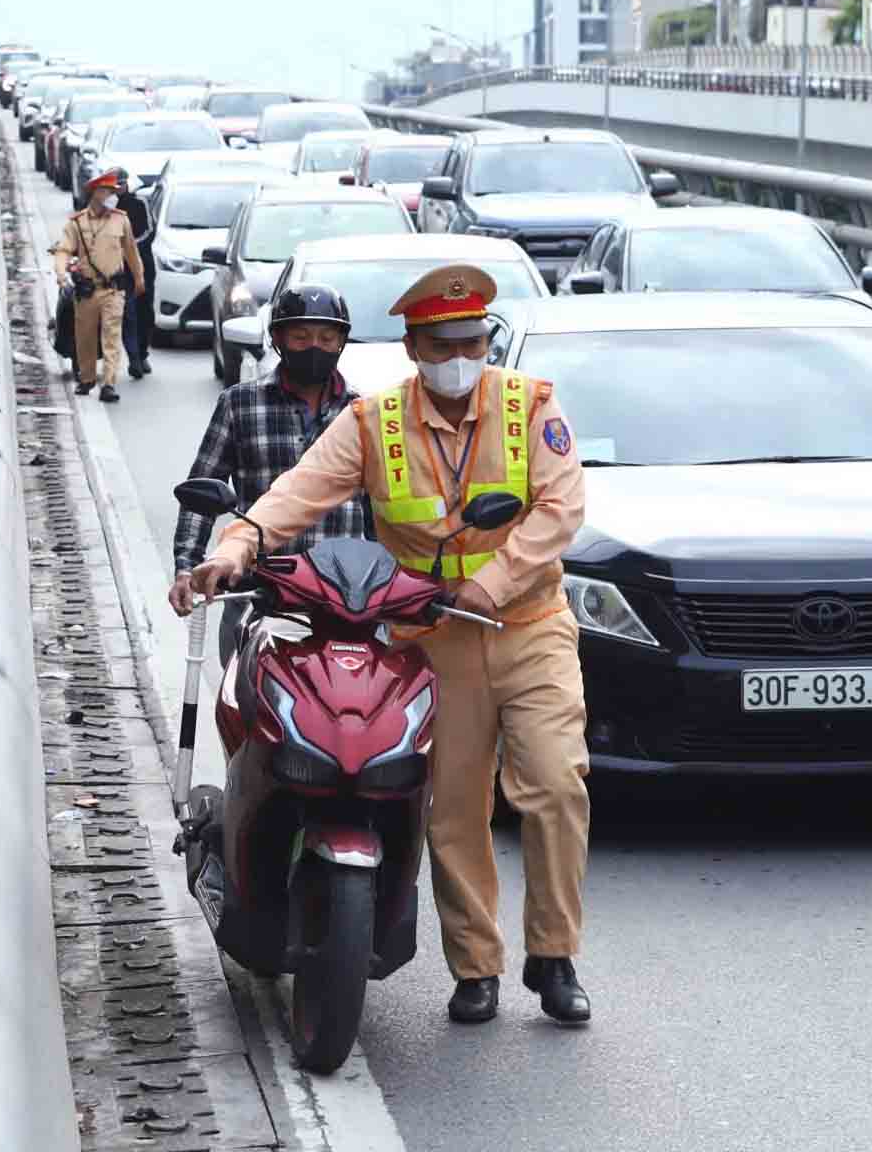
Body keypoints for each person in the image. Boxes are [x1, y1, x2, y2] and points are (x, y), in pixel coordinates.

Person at [178, 264, 592, 1027]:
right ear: (412, 348)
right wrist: (235, 546)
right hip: (426, 638)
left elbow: (560, 507)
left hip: (527, 626)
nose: (460, 357)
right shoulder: (373, 423)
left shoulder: (529, 406)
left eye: (472, 341)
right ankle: (476, 968)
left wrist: (491, 584)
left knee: (556, 785)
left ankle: (554, 955)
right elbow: (297, 493)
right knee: (450, 809)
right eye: (442, 344)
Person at [169, 284, 371, 668]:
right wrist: (186, 566)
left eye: (327, 338)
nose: (315, 347)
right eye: (301, 337)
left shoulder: (361, 414)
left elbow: (380, 511)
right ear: (278, 339)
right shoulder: (240, 404)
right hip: (259, 593)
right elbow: (201, 492)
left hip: (344, 595)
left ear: (341, 342)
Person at [51, 167, 144, 403]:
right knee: (85, 337)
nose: (113, 194)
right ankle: (88, 378)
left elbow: (131, 252)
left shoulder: (120, 220)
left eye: (114, 190)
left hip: (113, 289)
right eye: (107, 190)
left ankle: (109, 383)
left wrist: (139, 277)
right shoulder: (76, 223)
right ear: (95, 193)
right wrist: (61, 274)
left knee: (111, 336)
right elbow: (63, 250)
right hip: (87, 291)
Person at [113, 169, 157, 380]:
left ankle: (142, 352)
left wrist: (131, 249)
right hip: (120, 270)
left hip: (143, 267)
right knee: (127, 314)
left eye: (121, 183)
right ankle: (134, 359)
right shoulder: (109, 208)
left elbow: (150, 231)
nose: (119, 188)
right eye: (115, 185)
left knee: (145, 311)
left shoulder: (140, 203)